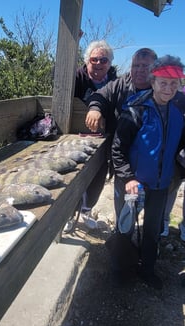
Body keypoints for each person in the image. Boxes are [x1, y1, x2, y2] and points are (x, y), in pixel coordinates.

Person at [111, 55, 185, 290]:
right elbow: (118, 147)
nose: (169, 88)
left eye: (174, 84)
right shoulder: (136, 109)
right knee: (125, 227)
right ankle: (122, 270)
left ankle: (147, 270)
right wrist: (128, 177)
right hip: (133, 184)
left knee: (152, 231)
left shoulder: (178, 114)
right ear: (152, 82)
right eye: (163, 82)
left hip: (161, 185)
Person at [85, 48, 158, 222]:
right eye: (136, 65)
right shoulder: (121, 83)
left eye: (145, 66)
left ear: (155, 68)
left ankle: (147, 236)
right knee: (123, 204)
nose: (140, 70)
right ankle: (123, 234)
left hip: (151, 160)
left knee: (150, 206)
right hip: (123, 156)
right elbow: (101, 95)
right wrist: (95, 109)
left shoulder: (161, 87)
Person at [65, 40, 117, 231]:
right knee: (71, 178)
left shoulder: (114, 81)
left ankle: (85, 211)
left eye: (103, 60)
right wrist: (73, 43)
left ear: (109, 63)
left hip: (103, 140)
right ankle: (69, 215)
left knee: (97, 178)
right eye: (93, 59)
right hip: (75, 138)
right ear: (87, 61)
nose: (98, 63)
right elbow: (59, 77)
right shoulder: (77, 77)